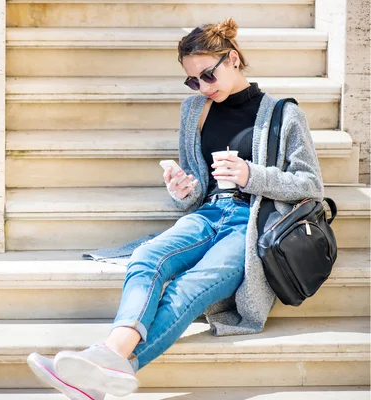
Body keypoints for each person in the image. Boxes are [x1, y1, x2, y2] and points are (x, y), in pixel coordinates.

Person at [26, 17, 324, 400]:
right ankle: (107, 363)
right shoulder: (194, 111)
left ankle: (103, 365)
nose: (202, 87)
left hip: (250, 222)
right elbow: (196, 192)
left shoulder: (283, 114)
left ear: (232, 59)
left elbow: (310, 185)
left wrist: (252, 174)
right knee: (147, 257)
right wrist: (182, 189)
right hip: (209, 213)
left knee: (190, 286)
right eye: (192, 81)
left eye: (207, 76)